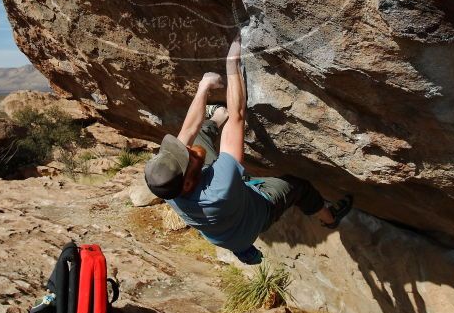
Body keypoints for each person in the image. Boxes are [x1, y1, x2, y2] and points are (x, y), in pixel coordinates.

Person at [145, 34, 352, 264]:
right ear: (186, 182)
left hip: (220, 231)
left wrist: (204, 87)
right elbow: (238, 116)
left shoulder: (165, 186)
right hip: (257, 212)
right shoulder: (219, 187)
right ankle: (330, 217)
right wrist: (232, 62)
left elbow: (188, 130)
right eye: (187, 157)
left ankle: (216, 118)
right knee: (300, 187)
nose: (186, 150)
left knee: (199, 136)